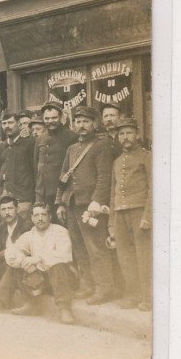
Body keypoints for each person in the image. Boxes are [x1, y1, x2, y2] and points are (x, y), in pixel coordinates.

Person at [55, 105, 115, 305]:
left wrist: (96, 203)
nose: (81, 126)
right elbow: (63, 178)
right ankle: (87, 285)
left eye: (86, 122)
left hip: (90, 207)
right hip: (72, 204)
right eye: (78, 121)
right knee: (79, 247)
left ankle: (104, 288)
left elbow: (104, 178)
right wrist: (60, 203)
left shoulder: (101, 145)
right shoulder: (72, 149)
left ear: (94, 124)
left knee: (96, 248)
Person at [5, 203, 76, 324]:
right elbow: (11, 252)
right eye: (36, 215)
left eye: (43, 214)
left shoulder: (60, 231)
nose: (40, 218)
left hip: (64, 279)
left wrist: (38, 259)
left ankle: (65, 309)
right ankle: (29, 304)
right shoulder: (30, 234)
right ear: (32, 218)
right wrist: (24, 261)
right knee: (19, 264)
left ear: (50, 216)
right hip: (44, 280)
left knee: (57, 266)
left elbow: (64, 255)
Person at [108, 118, 152, 311]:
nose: (125, 137)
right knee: (124, 256)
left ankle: (148, 298)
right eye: (121, 134)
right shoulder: (117, 162)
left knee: (144, 256)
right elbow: (112, 192)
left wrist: (148, 216)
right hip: (119, 212)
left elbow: (154, 188)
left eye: (129, 133)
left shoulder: (146, 157)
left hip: (139, 211)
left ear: (137, 134)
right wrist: (111, 222)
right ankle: (132, 296)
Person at [34, 101, 78, 211]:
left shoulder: (71, 137)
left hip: (63, 193)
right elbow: (35, 165)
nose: (50, 121)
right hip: (43, 194)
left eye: (54, 118)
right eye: (47, 118)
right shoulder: (40, 139)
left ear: (61, 117)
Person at [0, 110, 36, 219]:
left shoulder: (29, 143)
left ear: (19, 124)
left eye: (10, 123)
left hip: (24, 198)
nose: (7, 126)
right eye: (4, 123)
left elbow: (35, 171)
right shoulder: (2, 146)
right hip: (6, 198)